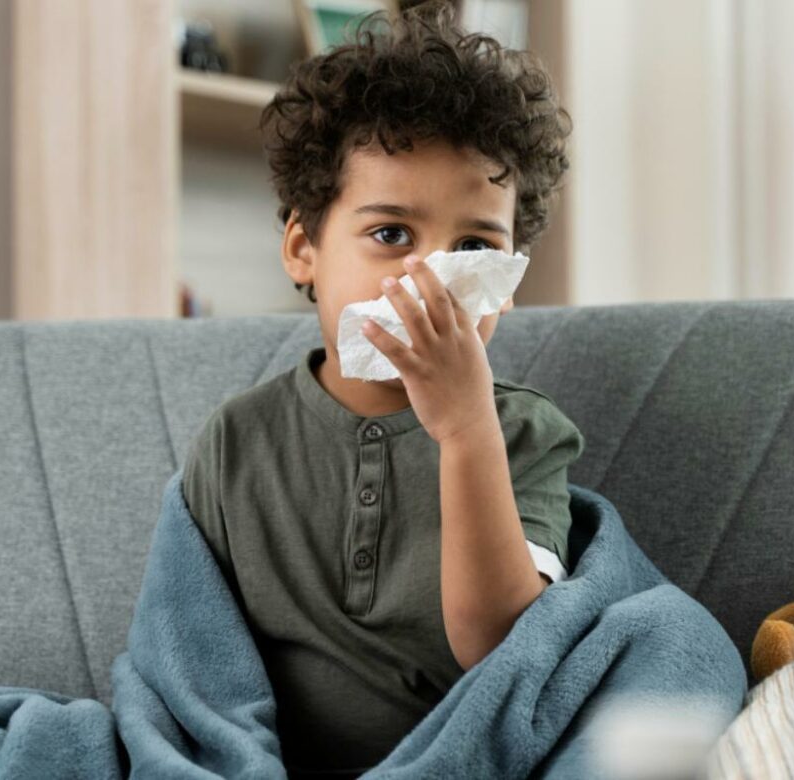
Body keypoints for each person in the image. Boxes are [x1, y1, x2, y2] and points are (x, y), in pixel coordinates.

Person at [179, 2, 581, 776]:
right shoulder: (238, 442)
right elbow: (197, 669)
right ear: (303, 248)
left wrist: (467, 431)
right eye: (392, 234)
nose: (430, 278)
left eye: (472, 247)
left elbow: (501, 650)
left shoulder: (525, 434)